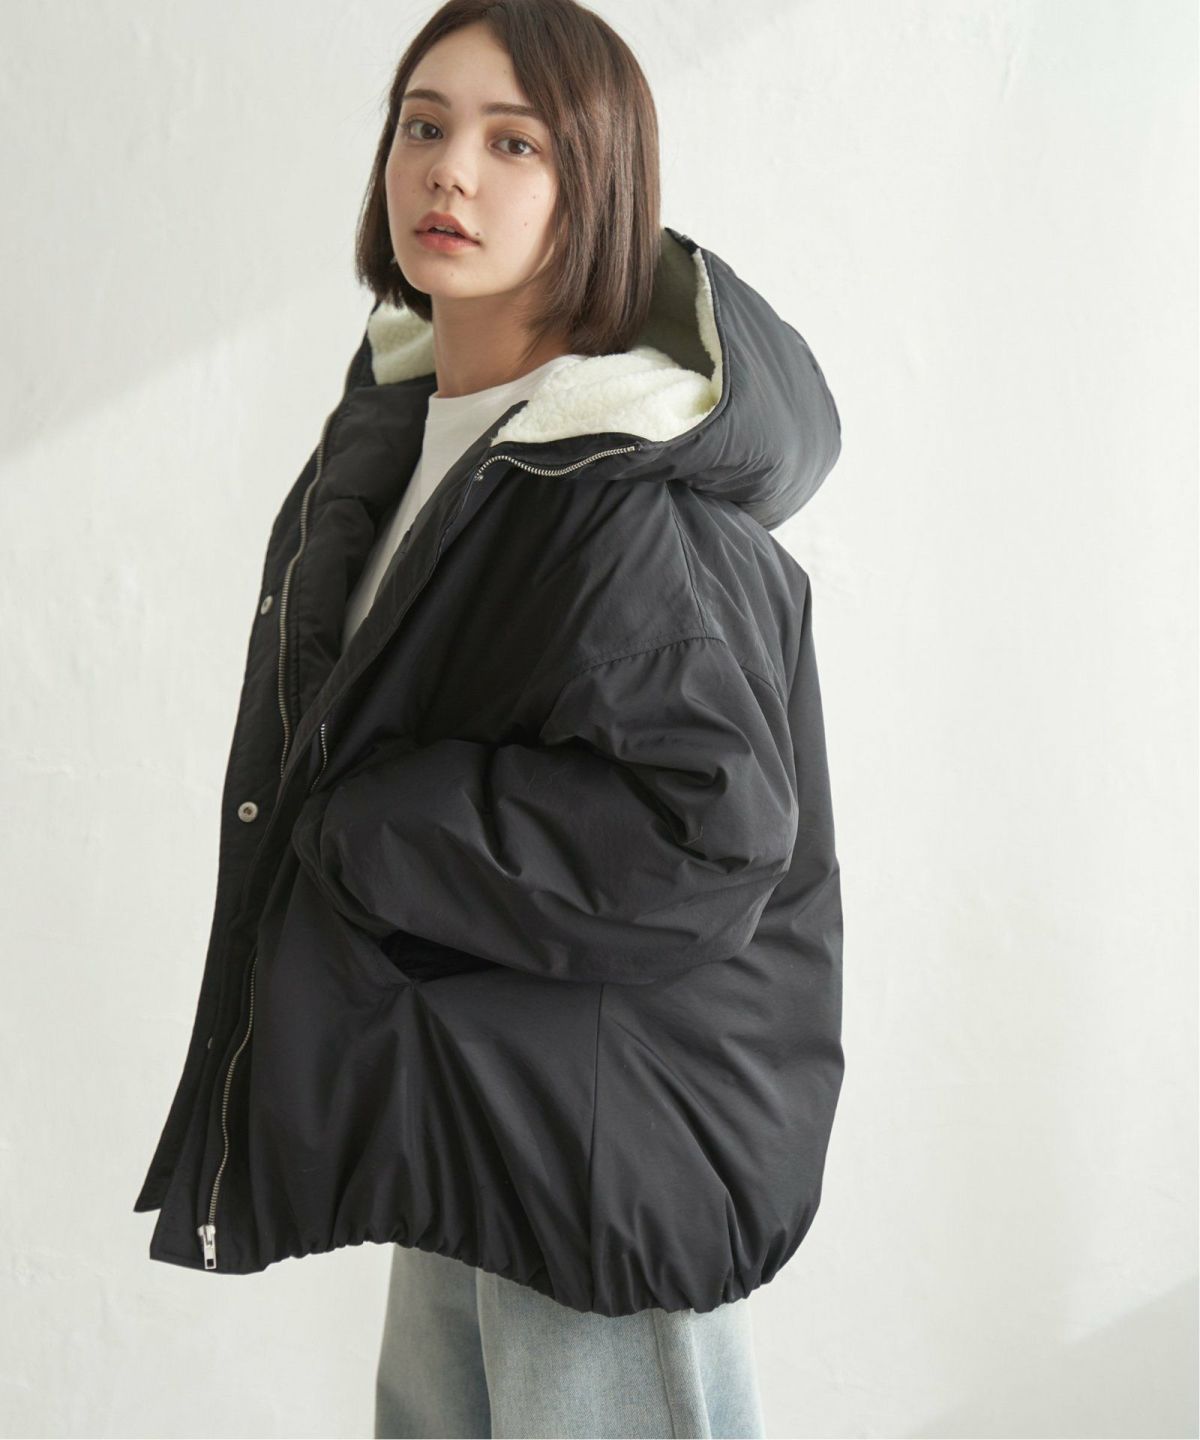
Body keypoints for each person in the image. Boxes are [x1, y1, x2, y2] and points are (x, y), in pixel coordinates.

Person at [132, 0, 845, 1435]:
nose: (449, 169)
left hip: (601, 1157)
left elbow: (704, 835)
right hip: (472, 1106)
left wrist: (378, 833)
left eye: (515, 143)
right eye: (424, 124)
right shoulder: (416, 443)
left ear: (598, 191)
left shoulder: (619, 496)